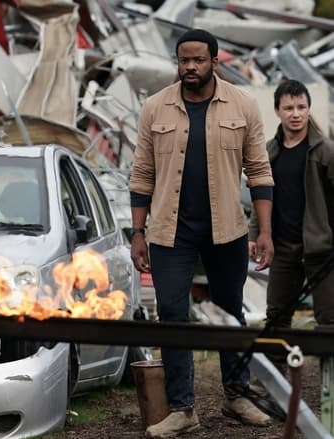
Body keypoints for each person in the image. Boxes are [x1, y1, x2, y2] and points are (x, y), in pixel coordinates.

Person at [128, 29, 275, 438]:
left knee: (230, 313)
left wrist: (264, 231)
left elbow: (260, 171)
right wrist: (138, 233)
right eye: (183, 60)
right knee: (173, 316)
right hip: (169, 234)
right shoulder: (155, 108)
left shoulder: (242, 104)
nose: (190, 67)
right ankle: (182, 408)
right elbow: (141, 175)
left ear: (214, 61)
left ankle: (236, 395)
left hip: (226, 230)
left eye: (198, 60)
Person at [248, 80, 334, 373]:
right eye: (289, 108)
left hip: (321, 249)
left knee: (329, 321)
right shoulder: (269, 152)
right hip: (283, 248)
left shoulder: (326, 152)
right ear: (277, 111)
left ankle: (329, 390)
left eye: (301, 107)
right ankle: (277, 389)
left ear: (309, 109)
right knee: (276, 319)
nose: (295, 113)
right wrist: (254, 235)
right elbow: (259, 199)